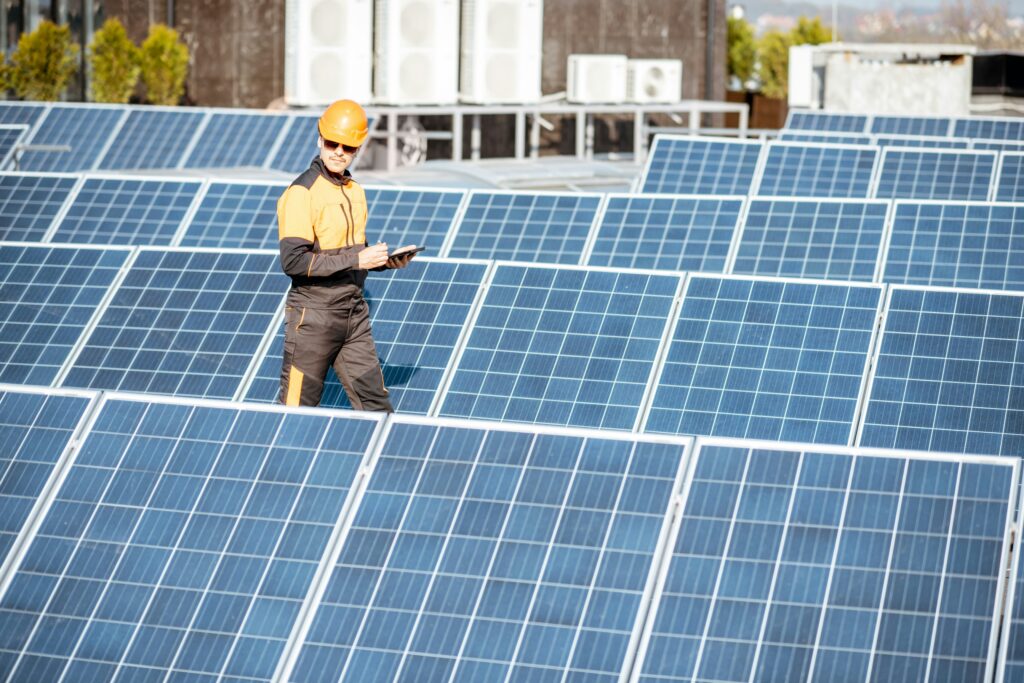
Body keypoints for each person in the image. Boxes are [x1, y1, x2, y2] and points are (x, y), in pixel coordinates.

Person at [276, 99, 416, 409]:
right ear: (320, 140)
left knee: (376, 407)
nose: (339, 151)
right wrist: (357, 260)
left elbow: (353, 254)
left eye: (349, 146)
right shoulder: (301, 193)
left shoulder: (356, 192)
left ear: (357, 148)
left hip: (354, 316)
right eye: (332, 143)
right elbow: (293, 261)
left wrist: (384, 262)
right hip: (312, 319)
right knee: (295, 412)